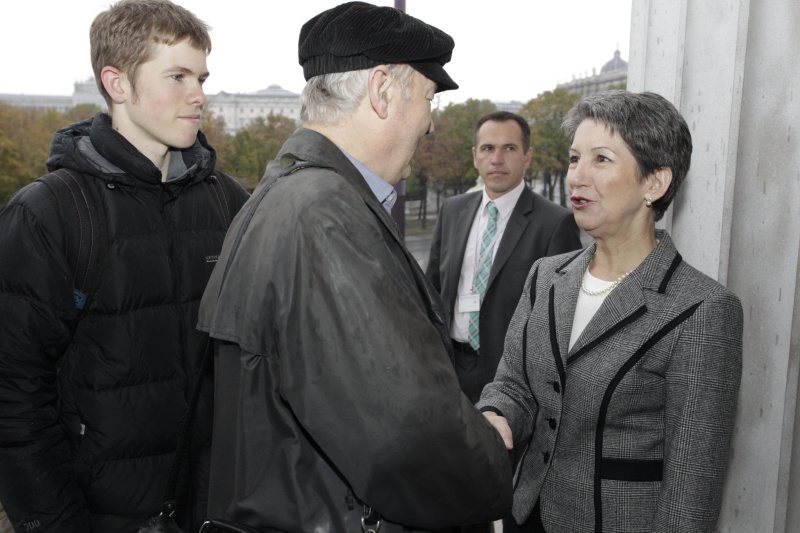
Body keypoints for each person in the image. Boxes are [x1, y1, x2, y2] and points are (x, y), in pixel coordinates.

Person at [197, 3, 513, 532]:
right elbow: (408, 437)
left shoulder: (284, 194)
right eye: (428, 99)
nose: (431, 124)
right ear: (382, 90)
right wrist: (490, 458)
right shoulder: (326, 213)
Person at [0, 1, 249, 531]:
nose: (200, 95)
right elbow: (15, 400)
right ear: (117, 83)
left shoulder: (228, 201)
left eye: (202, 77)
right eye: (177, 76)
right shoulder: (50, 213)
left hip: (222, 512)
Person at [477, 91, 743, 532]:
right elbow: (515, 384)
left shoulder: (702, 310)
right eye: (574, 158)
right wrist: (496, 413)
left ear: (653, 183)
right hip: (525, 515)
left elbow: (690, 493)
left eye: (601, 160)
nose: (577, 177)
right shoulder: (546, 276)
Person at [426, 111, 582, 407]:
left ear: (527, 157)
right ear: (475, 156)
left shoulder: (555, 223)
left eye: (509, 148)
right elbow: (431, 290)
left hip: (513, 380)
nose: (496, 159)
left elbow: (560, 318)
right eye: (487, 149)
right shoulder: (452, 211)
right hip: (449, 370)